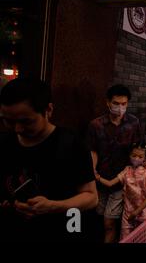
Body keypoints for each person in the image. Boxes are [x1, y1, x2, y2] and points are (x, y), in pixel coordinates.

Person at [0, 78, 98, 242]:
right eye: (8, 121)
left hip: (62, 231)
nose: (17, 129)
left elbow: (91, 197)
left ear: (48, 110)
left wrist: (52, 206)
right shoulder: (4, 143)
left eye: (26, 121)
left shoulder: (71, 144)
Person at [87, 84, 141, 243]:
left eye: (124, 104)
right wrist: (92, 171)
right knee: (99, 217)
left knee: (109, 221)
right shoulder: (96, 125)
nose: (120, 107)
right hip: (100, 178)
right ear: (108, 103)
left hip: (121, 179)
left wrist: (144, 160)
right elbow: (93, 150)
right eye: (116, 103)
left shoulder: (133, 122)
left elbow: (137, 148)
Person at [95, 142, 146, 240]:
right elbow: (110, 183)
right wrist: (98, 178)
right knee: (125, 239)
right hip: (128, 214)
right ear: (129, 156)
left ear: (145, 158)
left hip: (144, 214)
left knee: (143, 238)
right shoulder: (126, 170)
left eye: (140, 156)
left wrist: (137, 211)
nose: (136, 158)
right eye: (134, 155)